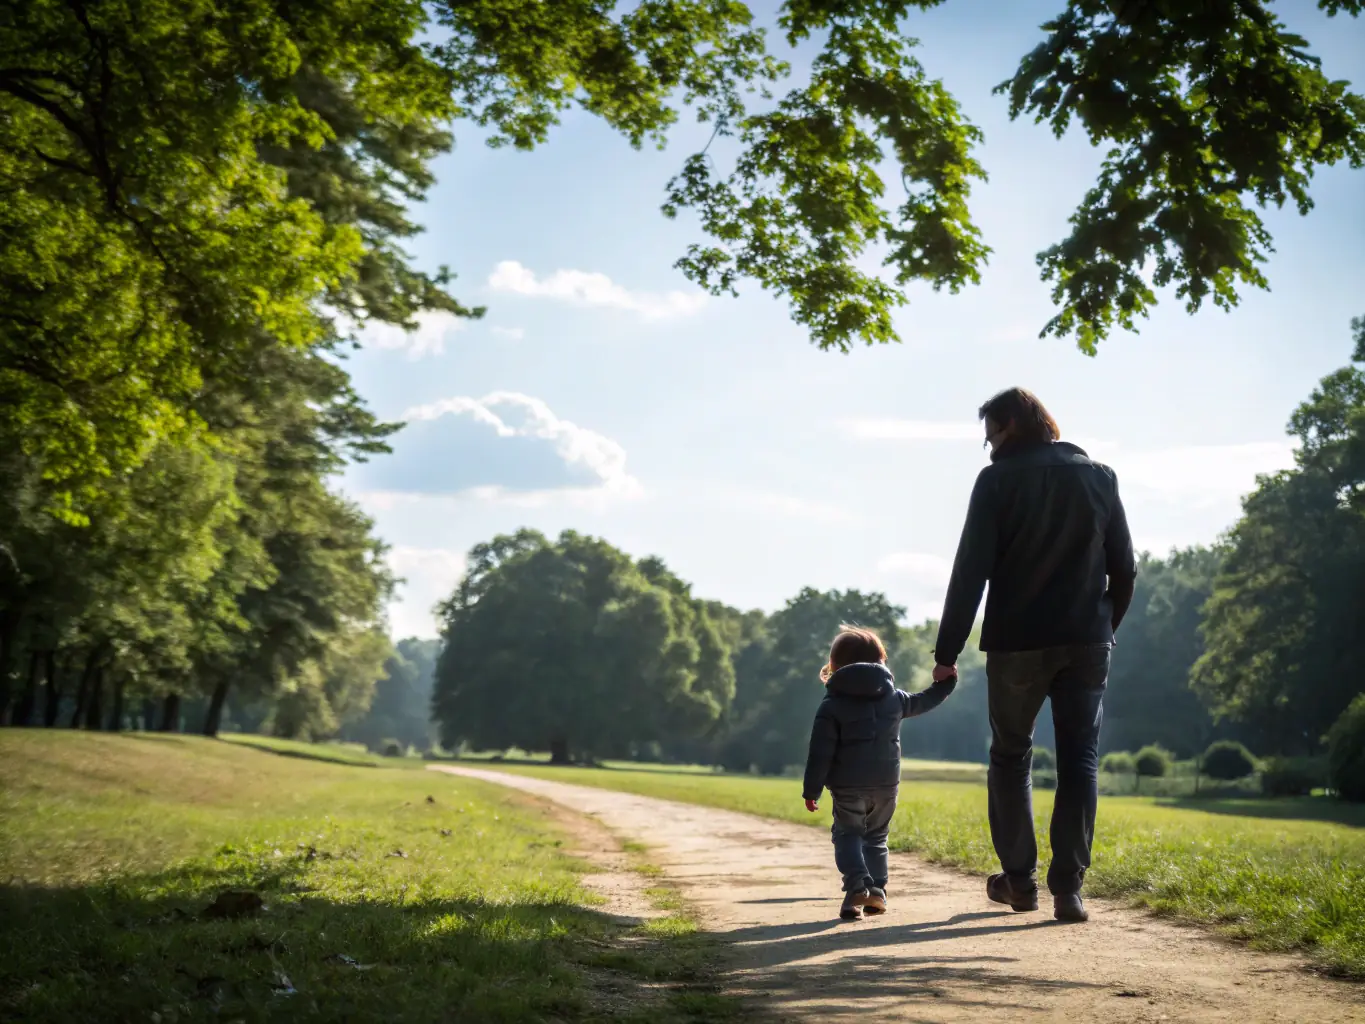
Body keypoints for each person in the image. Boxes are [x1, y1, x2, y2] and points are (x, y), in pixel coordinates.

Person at [932, 387, 1136, 924]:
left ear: (1010, 428)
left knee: (1010, 756)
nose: (990, 448)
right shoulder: (1101, 477)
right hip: (1087, 641)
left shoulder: (996, 481)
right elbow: (1125, 569)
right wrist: (1102, 627)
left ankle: (1019, 882)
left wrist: (946, 652)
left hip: (1017, 643)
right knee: (1079, 762)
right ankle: (1069, 890)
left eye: (991, 437)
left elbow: (969, 572)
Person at [801, 625, 957, 921]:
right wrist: (946, 684)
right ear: (880, 660)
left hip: (847, 786)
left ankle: (856, 886)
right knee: (876, 837)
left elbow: (820, 752)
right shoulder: (894, 698)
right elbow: (926, 699)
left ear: (834, 665)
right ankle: (876, 892)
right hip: (886, 785)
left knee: (847, 834)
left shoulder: (832, 704)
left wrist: (812, 791)